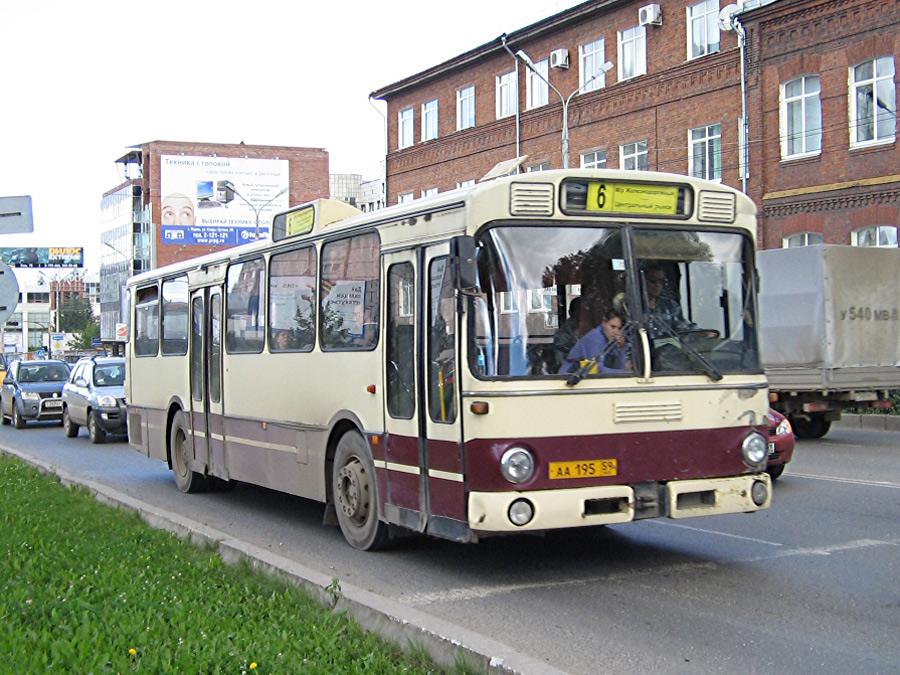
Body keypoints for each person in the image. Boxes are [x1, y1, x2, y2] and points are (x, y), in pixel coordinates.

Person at [642, 263, 706, 339]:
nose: (657, 285)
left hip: (669, 349)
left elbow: (683, 326)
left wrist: (702, 333)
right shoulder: (631, 306)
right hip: (643, 350)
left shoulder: (670, 305)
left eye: (661, 282)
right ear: (642, 281)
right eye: (653, 281)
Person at [559, 309, 631, 374]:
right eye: (612, 327)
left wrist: (621, 348)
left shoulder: (611, 340)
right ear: (604, 323)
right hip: (569, 379)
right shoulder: (596, 337)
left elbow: (618, 366)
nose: (616, 332)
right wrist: (624, 372)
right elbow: (597, 369)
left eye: (619, 328)